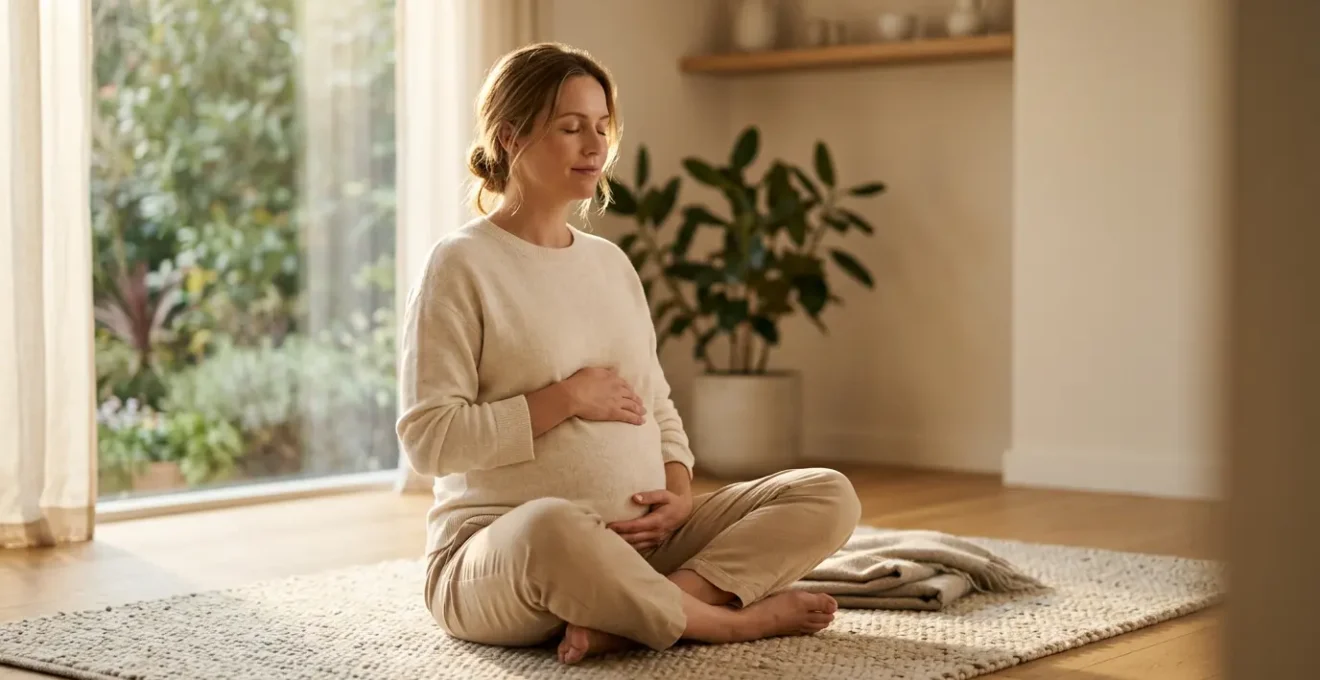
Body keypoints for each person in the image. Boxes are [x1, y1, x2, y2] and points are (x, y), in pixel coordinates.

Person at [396, 42, 861, 665]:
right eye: (570, 127)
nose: (594, 145)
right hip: (501, 556)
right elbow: (430, 441)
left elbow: (658, 403)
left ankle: (649, 610)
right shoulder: (460, 265)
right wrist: (564, 399)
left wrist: (677, 489)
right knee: (550, 524)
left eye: (601, 126)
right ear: (510, 138)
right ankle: (722, 624)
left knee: (826, 493)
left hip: (643, 548)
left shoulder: (610, 264)